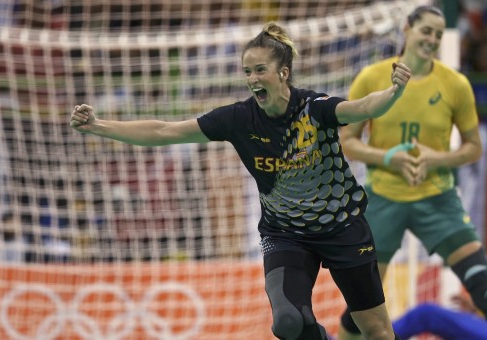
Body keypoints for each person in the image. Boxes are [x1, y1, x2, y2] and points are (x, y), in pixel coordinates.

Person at [70, 22, 411, 340]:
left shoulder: (315, 108)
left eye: (260, 70)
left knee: (378, 332)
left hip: (342, 226)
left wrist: (394, 92)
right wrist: (99, 126)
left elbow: (363, 107)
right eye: (247, 71)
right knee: (288, 322)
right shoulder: (238, 119)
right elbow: (165, 130)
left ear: (283, 73)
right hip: (285, 233)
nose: (252, 78)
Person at [337, 5, 487, 340]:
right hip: (383, 199)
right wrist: (387, 158)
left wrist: (435, 159)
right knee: (361, 304)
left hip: (437, 199)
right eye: (426, 30)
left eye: (438, 34)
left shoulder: (455, 84)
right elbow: (347, 141)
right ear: (407, 29)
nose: (432, 39)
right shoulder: (371, 77)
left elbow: (473, 148)